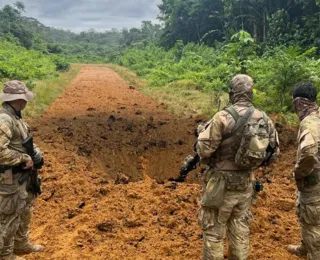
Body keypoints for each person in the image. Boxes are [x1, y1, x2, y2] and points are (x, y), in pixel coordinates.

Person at [196, 74, 279, 260]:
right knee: (240, 231)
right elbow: (273, 155)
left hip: (219, 186)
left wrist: (202, 132)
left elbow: (203, 150)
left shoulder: (222, 118)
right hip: (246, 185)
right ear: (251, 94)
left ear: (232, 94)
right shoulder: (264, 119)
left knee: (214, 232)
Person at [0, 80, 44, 260]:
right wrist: (23, 158)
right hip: (9, 177)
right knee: (9, 217)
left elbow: (22, 141)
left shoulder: (15, 116)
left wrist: (35, 154)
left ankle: (20, 243)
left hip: (22, 176)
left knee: (24, 209)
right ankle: (5, 254)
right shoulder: (4, 119)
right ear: (18, 99)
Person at [288, 82, 320, 259]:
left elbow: (308, 153)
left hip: (314, 182)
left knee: (312, 223)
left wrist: (298, 172)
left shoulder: (309, 124)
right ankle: (304, 247)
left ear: (299, 103)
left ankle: (313, 252)